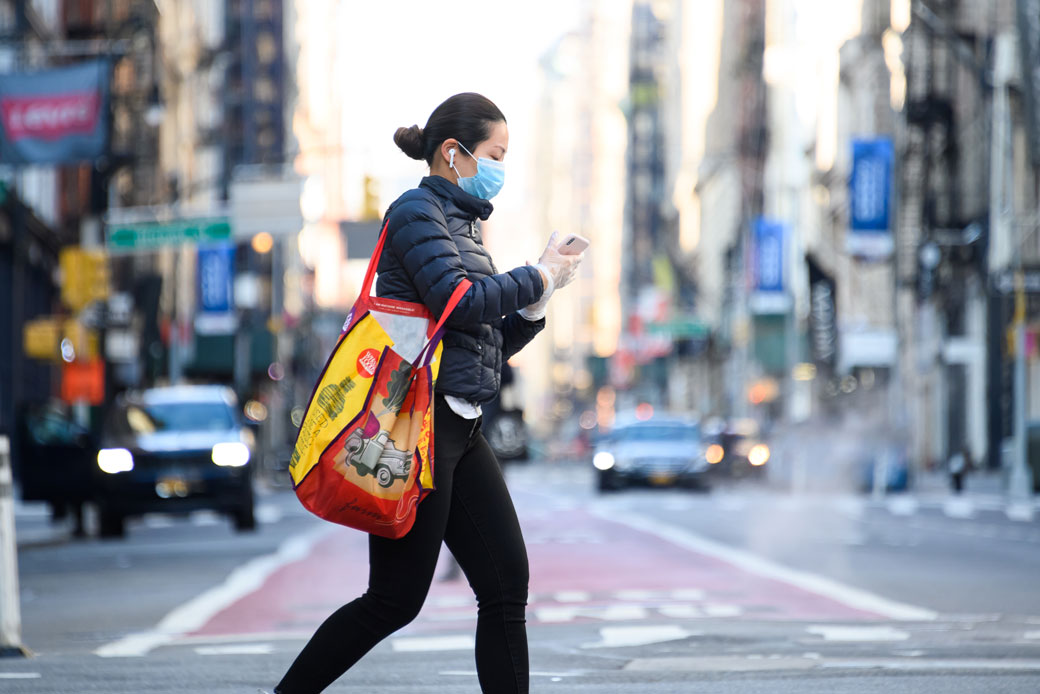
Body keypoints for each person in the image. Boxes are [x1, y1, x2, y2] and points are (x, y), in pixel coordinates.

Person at [269, 93, 582, 694]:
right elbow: (457, 301)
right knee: (393, 601)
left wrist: (539, 300)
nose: (501, 166)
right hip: (418, 427)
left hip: (460, 427)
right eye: (495, 153)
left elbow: (481, 341)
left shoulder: (465, 224)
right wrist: (534, 274)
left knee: (505, 587)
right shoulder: (416, 213)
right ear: (453, 152)